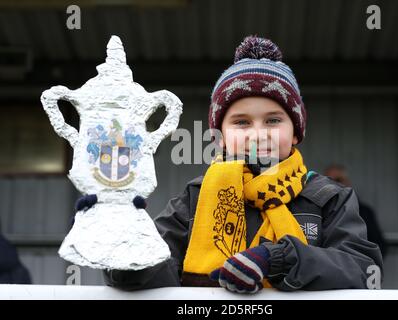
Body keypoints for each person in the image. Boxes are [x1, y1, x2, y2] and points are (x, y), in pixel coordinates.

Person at [79, 36, 382, 293]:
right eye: (241, 122)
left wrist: (277, 259)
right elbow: (161, 267)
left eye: (273, 120)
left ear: (296, 132)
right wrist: (121, 248)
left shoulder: (330, 198)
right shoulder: (196, 198)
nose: (258, 133)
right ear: (221, 138)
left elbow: (362, 269)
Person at [324, 164, 388, 257]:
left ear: (347, 182)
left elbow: (378, 246)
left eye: (338, 180)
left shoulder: (364, 212)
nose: (333, 184)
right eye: (328, 180)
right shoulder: (317, 212)